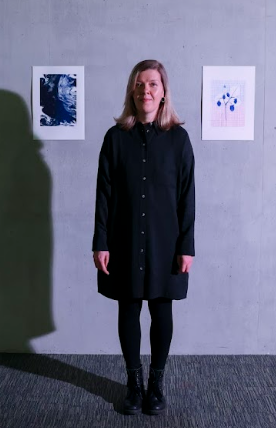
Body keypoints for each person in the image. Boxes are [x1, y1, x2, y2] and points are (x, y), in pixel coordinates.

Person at [92, 59, 196, 415]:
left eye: (152, 84)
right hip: (123, 238)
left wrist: (187, 246)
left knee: (161, 309)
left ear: (163, 91)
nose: (145, 91)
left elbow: (187, 197)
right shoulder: (115, 138)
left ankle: (156, 384)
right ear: (131, 92)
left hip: (166, 242)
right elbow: (103, 193)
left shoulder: (179, 140)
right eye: (139, 85)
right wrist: (100, 241)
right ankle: (133, 385)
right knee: (128, 308)